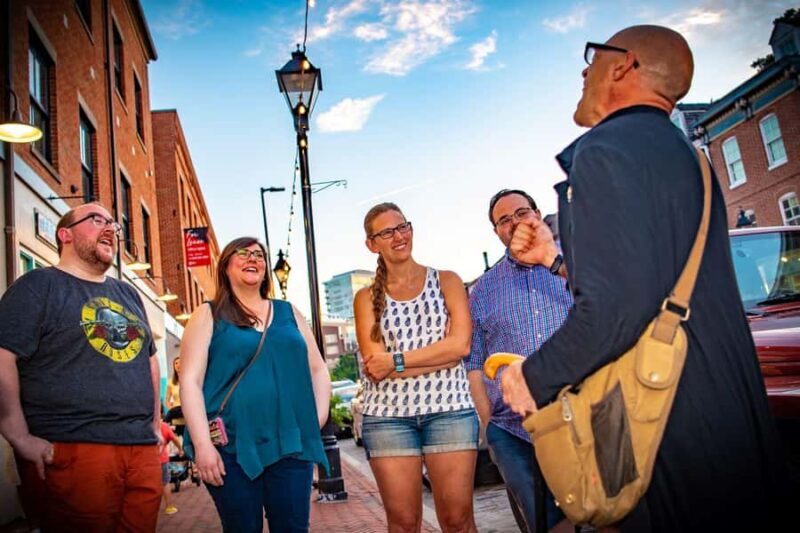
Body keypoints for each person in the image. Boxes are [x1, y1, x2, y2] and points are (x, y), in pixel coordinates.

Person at [499, 25, 790, 530]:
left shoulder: (604, 150)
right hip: (727, 418)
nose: (584, 70)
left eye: (593, 57)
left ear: (623, 65)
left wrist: (532, 376)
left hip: (667, 425)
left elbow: (615, 309)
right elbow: (648, 282)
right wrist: (554, 258)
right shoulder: (687, 157)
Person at [0, 202, 162, 532]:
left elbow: (149, 360)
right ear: (65, 234)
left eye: (113, 225)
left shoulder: (128, 293)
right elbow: (3, 360)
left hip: (141, 449)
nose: (110, 229)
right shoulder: (37, 286)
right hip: (74, 449)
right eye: (96, 220)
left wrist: (156, 426)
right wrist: (18, 436)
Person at [180, 237, 331, 533]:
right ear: (225, 266)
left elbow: (319, 369)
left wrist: (316, 419)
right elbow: (190, 381)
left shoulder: (289, 312)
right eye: (243, 253)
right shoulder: (209, 314)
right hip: (231, 447)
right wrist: (202, 445)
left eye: (259, 255)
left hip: (290, 446)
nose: (253, 259)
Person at [354, 202, 479, 533]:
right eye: (387, 232)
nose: (399, 236)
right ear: (372, 244)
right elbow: (374, 366)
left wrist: (395, 360)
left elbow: (461, 347)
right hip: (387, 418)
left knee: (457, 520)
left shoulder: (449, 282)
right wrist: (440, 355)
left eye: (403, 227)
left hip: (450, 410)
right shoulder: (365, 299)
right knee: (404, 523)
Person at [465, 189, 572, 532]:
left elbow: (612, 309)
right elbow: (475, 368)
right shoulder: (481, 291)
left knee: (602, 513)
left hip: (581, 416)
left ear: (538, 215)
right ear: (496, 231)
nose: (514, 223)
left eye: (521, 213)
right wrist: (491, 432)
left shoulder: (571, 264)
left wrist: (555, 261)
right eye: (504, 220)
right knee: (545, 523)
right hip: (514, 432)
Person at [159, 411, 184, 515]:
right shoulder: (163, 426)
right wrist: (180, 449)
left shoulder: (145, 426)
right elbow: (175, 439)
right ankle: (169, 507)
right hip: (162, 460)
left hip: (147, 461)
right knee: (165, 483)